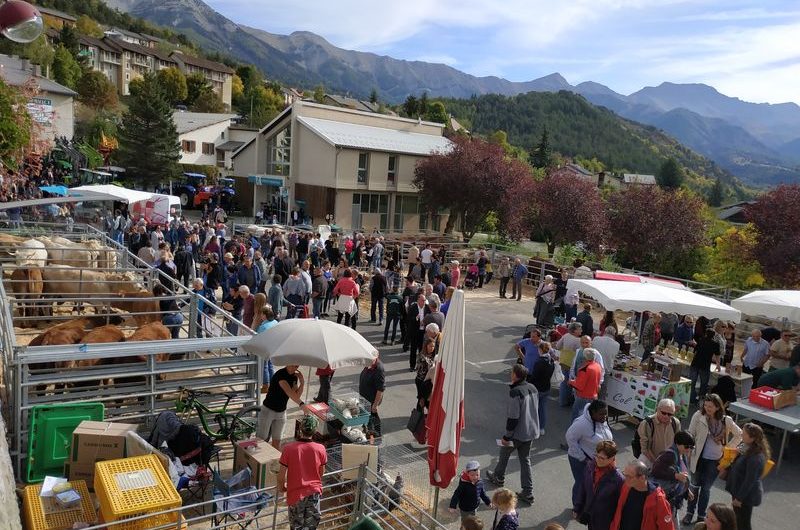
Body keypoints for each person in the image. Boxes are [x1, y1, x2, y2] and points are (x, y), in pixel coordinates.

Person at [683, 393, 742, 526]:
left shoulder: (726, 420)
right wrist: (689, 450)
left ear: (717, 407)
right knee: (694, 486)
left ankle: (701, 516)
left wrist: (727, 448)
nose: (707, 408)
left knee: (706, 489)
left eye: (710, 406)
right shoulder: (699, 416)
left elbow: (740, 435)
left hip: (715, 461)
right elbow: (690, 434)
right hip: (698, 458)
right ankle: (689, 513)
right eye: (705, 405)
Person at [486, 364, 539, 505]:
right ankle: (528, 491)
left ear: (515, 375)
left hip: (517, 434)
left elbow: (513, 417)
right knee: (525, 460)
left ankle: (498, 477)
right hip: (531, 431)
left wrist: (507, 436)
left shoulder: (515, 392)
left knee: (504, 452)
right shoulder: (533, 388)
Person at [278, 414, 328, 530]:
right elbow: (321, 473)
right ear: (315, 430)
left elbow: (281, 476)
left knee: (296, 526)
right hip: (313, 493)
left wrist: (283, 488)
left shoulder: (288, 449)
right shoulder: (321, 449)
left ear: (300, 429)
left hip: (295, 494)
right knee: (311, 526)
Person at [565, 400, 613, 507]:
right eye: (601, 414)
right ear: (593, 413)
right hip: (579, 460)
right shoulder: (581, 423)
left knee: (591, 484)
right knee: (581, 483)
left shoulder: (601, 420)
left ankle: (586, 504)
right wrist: (582, 458)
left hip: (595, 460)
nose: (604, 416)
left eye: (606, 413)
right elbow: (570, 438)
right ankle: (577, 507)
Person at [726, 423, 770, 530]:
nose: (741, 435)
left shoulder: (756, 457)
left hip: (745, 497)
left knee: (743, 523)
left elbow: (750, 480)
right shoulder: (746, 448)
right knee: (738, 520)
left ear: (753, 438)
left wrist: (739, 499)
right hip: (739, 492)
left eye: (744, 434)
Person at [573, 440, 624, 530]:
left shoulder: (618, 479)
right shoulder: (590, 466)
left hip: (604, 522)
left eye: (602, 458)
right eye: (596, 456)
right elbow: (583, 488)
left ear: (612, 458)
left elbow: (620, 506)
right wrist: (577, 507)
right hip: (590, 516)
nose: (597, 460)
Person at [609, 460, 674, 530]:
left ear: (642, 478)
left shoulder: (658, 500)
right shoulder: (626, 487)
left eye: (629, 477)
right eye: (625, 474)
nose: (625, 479)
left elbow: (667, 527)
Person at [258, 364, 305, 450]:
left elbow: (296, 395)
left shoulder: (294, 377)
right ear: (287, 363)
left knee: (277, 440)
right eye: (293, 365)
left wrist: (302, 383)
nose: (295, 368)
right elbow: (289, 392)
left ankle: (274, 462)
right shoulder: (280, 374)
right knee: (261, 440)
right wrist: (302, 404)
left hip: (281, 412)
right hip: (268, 410)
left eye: (297, 366)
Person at [651, 430, 695, 522]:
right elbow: (656, 470)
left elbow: (683, 476)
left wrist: (686, 491)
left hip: (671, 497)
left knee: (669, 522)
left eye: (692, 447)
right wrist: (675, 475)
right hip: (665, 497)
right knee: (668, 523)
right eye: (687, 446)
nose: (689, 449)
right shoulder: (670, 454)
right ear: (677, 443)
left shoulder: (682, 455)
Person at [637, 399, 681, 468]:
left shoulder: (676, 423)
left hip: (668, 463)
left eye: (670, 414)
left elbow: (678, 444)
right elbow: (645, 449)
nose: (666, 416)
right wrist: (657, 463)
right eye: (663, 413)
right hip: (649, 461)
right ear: (657, 409)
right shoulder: (647, 423)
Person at [529, 341, 556, 435]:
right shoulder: (551, 360)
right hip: (546, 387)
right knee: (543, 408)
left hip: (537, 388)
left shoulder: (539, 362)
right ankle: (541, 428)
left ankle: (533, 426)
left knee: (533, 408)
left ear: (540, 350)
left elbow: (534, 376)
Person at [569, 348, 603, 421]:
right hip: (593, 395)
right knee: (589, 417)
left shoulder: (585, 369)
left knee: (577, 416)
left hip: (583, 396)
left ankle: (576, 431)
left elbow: (579, 386)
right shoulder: (597, 366)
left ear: (585, 357)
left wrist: (571, 382)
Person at [690, 328, 721, 404]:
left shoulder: (701, 340)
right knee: (704, 384)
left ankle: (691, 398)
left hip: (695, 363)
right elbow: (717, 356)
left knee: (692, 382)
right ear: (713, 336)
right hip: (705, 365)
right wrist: (718, 365)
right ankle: (701, 400)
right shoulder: (715, 344)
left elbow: (695, 351)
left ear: (706, 334)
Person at [359, 355, 385, 437]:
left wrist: (375, 404)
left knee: (372, 419)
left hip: (371, 400)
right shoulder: (369, 364)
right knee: (368, 419)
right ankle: (370, 435)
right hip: (364, 398)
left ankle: (376, 438)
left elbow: (380, 389)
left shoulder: (379, 369)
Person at [257, 305, 278, 394]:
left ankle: (266, 386)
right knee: (270, 366)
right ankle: (272, 383)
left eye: (261, 314)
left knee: (264, 366)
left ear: (265, 315)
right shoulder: (275, 322)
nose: (260, 315)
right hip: (273, 347)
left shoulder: (263, 327)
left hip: (265, 348)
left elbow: (258, 337)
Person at [407, 293, 429, 371]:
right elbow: (409, 318)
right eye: (422, 300)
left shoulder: (427, 307)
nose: (424, 302)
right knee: (413, 349)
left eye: (425, 300)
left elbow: (429, 317)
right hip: (415, 331)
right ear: (418, 300)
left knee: (421, 350)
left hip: (423, 332)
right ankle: (412, 366)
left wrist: (425, 322)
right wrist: (416, 319)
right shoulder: (413, 307)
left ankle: (420, 365)